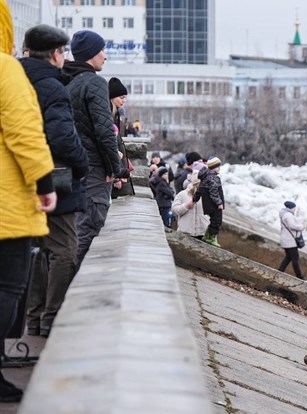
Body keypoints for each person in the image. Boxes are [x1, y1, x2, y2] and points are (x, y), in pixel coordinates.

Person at [0, 2, 57, 400]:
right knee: (7, 287)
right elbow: (24, 132)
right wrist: (44, 181)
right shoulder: (6, 71)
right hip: (5, 206)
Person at [19, 24, 89, 338]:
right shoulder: (52, 87)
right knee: (65, 250)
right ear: (56, 55)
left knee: (36, 250)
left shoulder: (15, 80)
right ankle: (52, 317)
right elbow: (62, 137)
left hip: (19, 178)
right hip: (53, 179)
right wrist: (82, 163)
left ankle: (33, 319)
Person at [64, 29, 121, 265]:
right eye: (102, 51)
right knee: (89, 230)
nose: (105, 56)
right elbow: (105, 132)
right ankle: (72, 294)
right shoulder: (95, 84)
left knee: (72, 233)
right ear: (90, 54)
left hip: (71, 168)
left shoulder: (67, 82)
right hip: (94, 171)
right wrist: (114, 168)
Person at [108, 77, 134, 198]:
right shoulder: (109, 114)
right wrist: (116, 177)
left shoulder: (117, 114)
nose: (123, 101)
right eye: (121, 98)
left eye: (125, 98)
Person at [194, 157, 224, 247]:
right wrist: (219, 203)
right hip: (213, 205)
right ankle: (211, 238)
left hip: (208, 204)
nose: (220, 168)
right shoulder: (213, 178)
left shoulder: (206, 176)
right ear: (214, 167)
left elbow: (199, 189)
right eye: (218, 166)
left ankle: (207, 236)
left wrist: (195, 199)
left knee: (213, 220)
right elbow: (214, 193)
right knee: (217, 221)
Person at [171, 171, 209, 239]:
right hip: (185, 233)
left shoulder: (206, 194)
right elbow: (174, 210)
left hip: (202, 233)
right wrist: (186, 206)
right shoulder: (182, 194)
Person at [278, 201, 306, 280]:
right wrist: (301, 227)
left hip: (286, 239)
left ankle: (280, 271)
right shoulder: (288, 215)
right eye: (294, 208)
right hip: (289, 240)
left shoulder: (284, 214)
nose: (295, 209)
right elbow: (292, 225)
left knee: (288, 257)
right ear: (292, 208)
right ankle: (300, 276)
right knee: (295, 258)